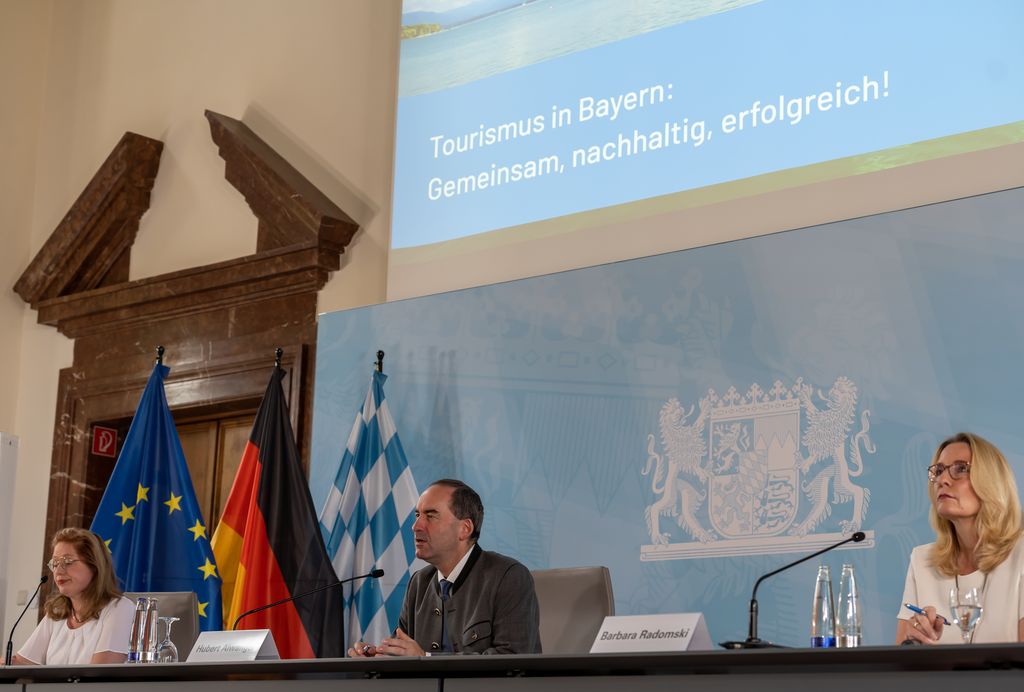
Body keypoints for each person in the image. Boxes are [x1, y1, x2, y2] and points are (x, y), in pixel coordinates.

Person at [349, 479, 541, 656]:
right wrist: (377, 655)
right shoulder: (419, 583)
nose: (416, 526)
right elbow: (403, 652)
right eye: (417, 515)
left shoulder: (508, 576)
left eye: (430, 516)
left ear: (464, 529)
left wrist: (425, 659)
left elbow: (512, 659)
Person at [897, 432, 1024, 644]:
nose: (942, 480)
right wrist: (914, 643)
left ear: (991, 482)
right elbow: (898, 666)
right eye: (938, 471)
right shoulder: (922, 560)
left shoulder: (1021, 554)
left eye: (961, 469)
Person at [12, 527, 135, 665]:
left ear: (94, 566)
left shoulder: (119, 608)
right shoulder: (58, 613)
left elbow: (100, 674)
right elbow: (22, 663)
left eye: (68, 561)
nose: (58, 570)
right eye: (55, 563)